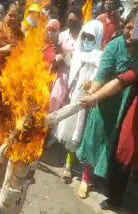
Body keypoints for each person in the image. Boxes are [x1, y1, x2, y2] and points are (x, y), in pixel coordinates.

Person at [76, 10, 138, 199]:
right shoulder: (114, 46)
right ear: (123, 26)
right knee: (96, 136)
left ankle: (105, 178)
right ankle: (86, 179)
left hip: (128, 106)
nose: (131, 32)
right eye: (129, 27)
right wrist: (93, 94)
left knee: (115, 142)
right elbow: (101, 76)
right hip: (106, 100)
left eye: (135, 29)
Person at [56, 20, 103, 184]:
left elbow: (101, 76)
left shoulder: (100, 56)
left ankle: (85, 174)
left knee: (84, 133)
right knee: (72, 132)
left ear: (97, 37)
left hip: (90, 100)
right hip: (75, 97)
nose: (87, 40)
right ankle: (68, 165)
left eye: (91, 37)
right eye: (85, 36)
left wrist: (91, 83)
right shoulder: (77, 53)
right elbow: (72, 71)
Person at [45, 7, 83, 149]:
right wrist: (57, 57)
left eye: (74, 20)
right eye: (69, 20)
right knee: (54, 106)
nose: (71, 23)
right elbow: (53, 52)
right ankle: (49, 135)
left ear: (80, 20)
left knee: (68, 108)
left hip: (76, 79)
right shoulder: (62, 36)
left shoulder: (84, 37)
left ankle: (60, 137)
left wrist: (69, 56)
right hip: (62, 77)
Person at [0, 3, 24, 112]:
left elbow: (24, 50)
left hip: (13, 74)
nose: (12, 18)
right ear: (5, 14)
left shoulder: (20, 33)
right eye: (10, 15)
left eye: (15, 16)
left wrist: (12, 48)